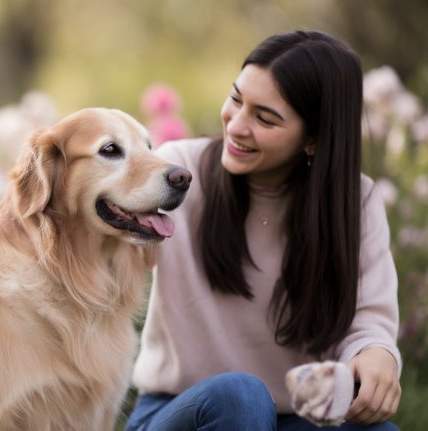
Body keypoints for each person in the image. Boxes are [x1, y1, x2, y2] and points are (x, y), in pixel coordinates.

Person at [127, 30, 401, 430]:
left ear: (313, 139)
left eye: (264, 118)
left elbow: (368, 321)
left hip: (295, 416)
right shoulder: (178, 174)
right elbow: (106, 251)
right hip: (179, 412)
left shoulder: (355, 203)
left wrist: (376, 353)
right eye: (236, 100)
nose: (237, 126)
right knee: (241, 397)